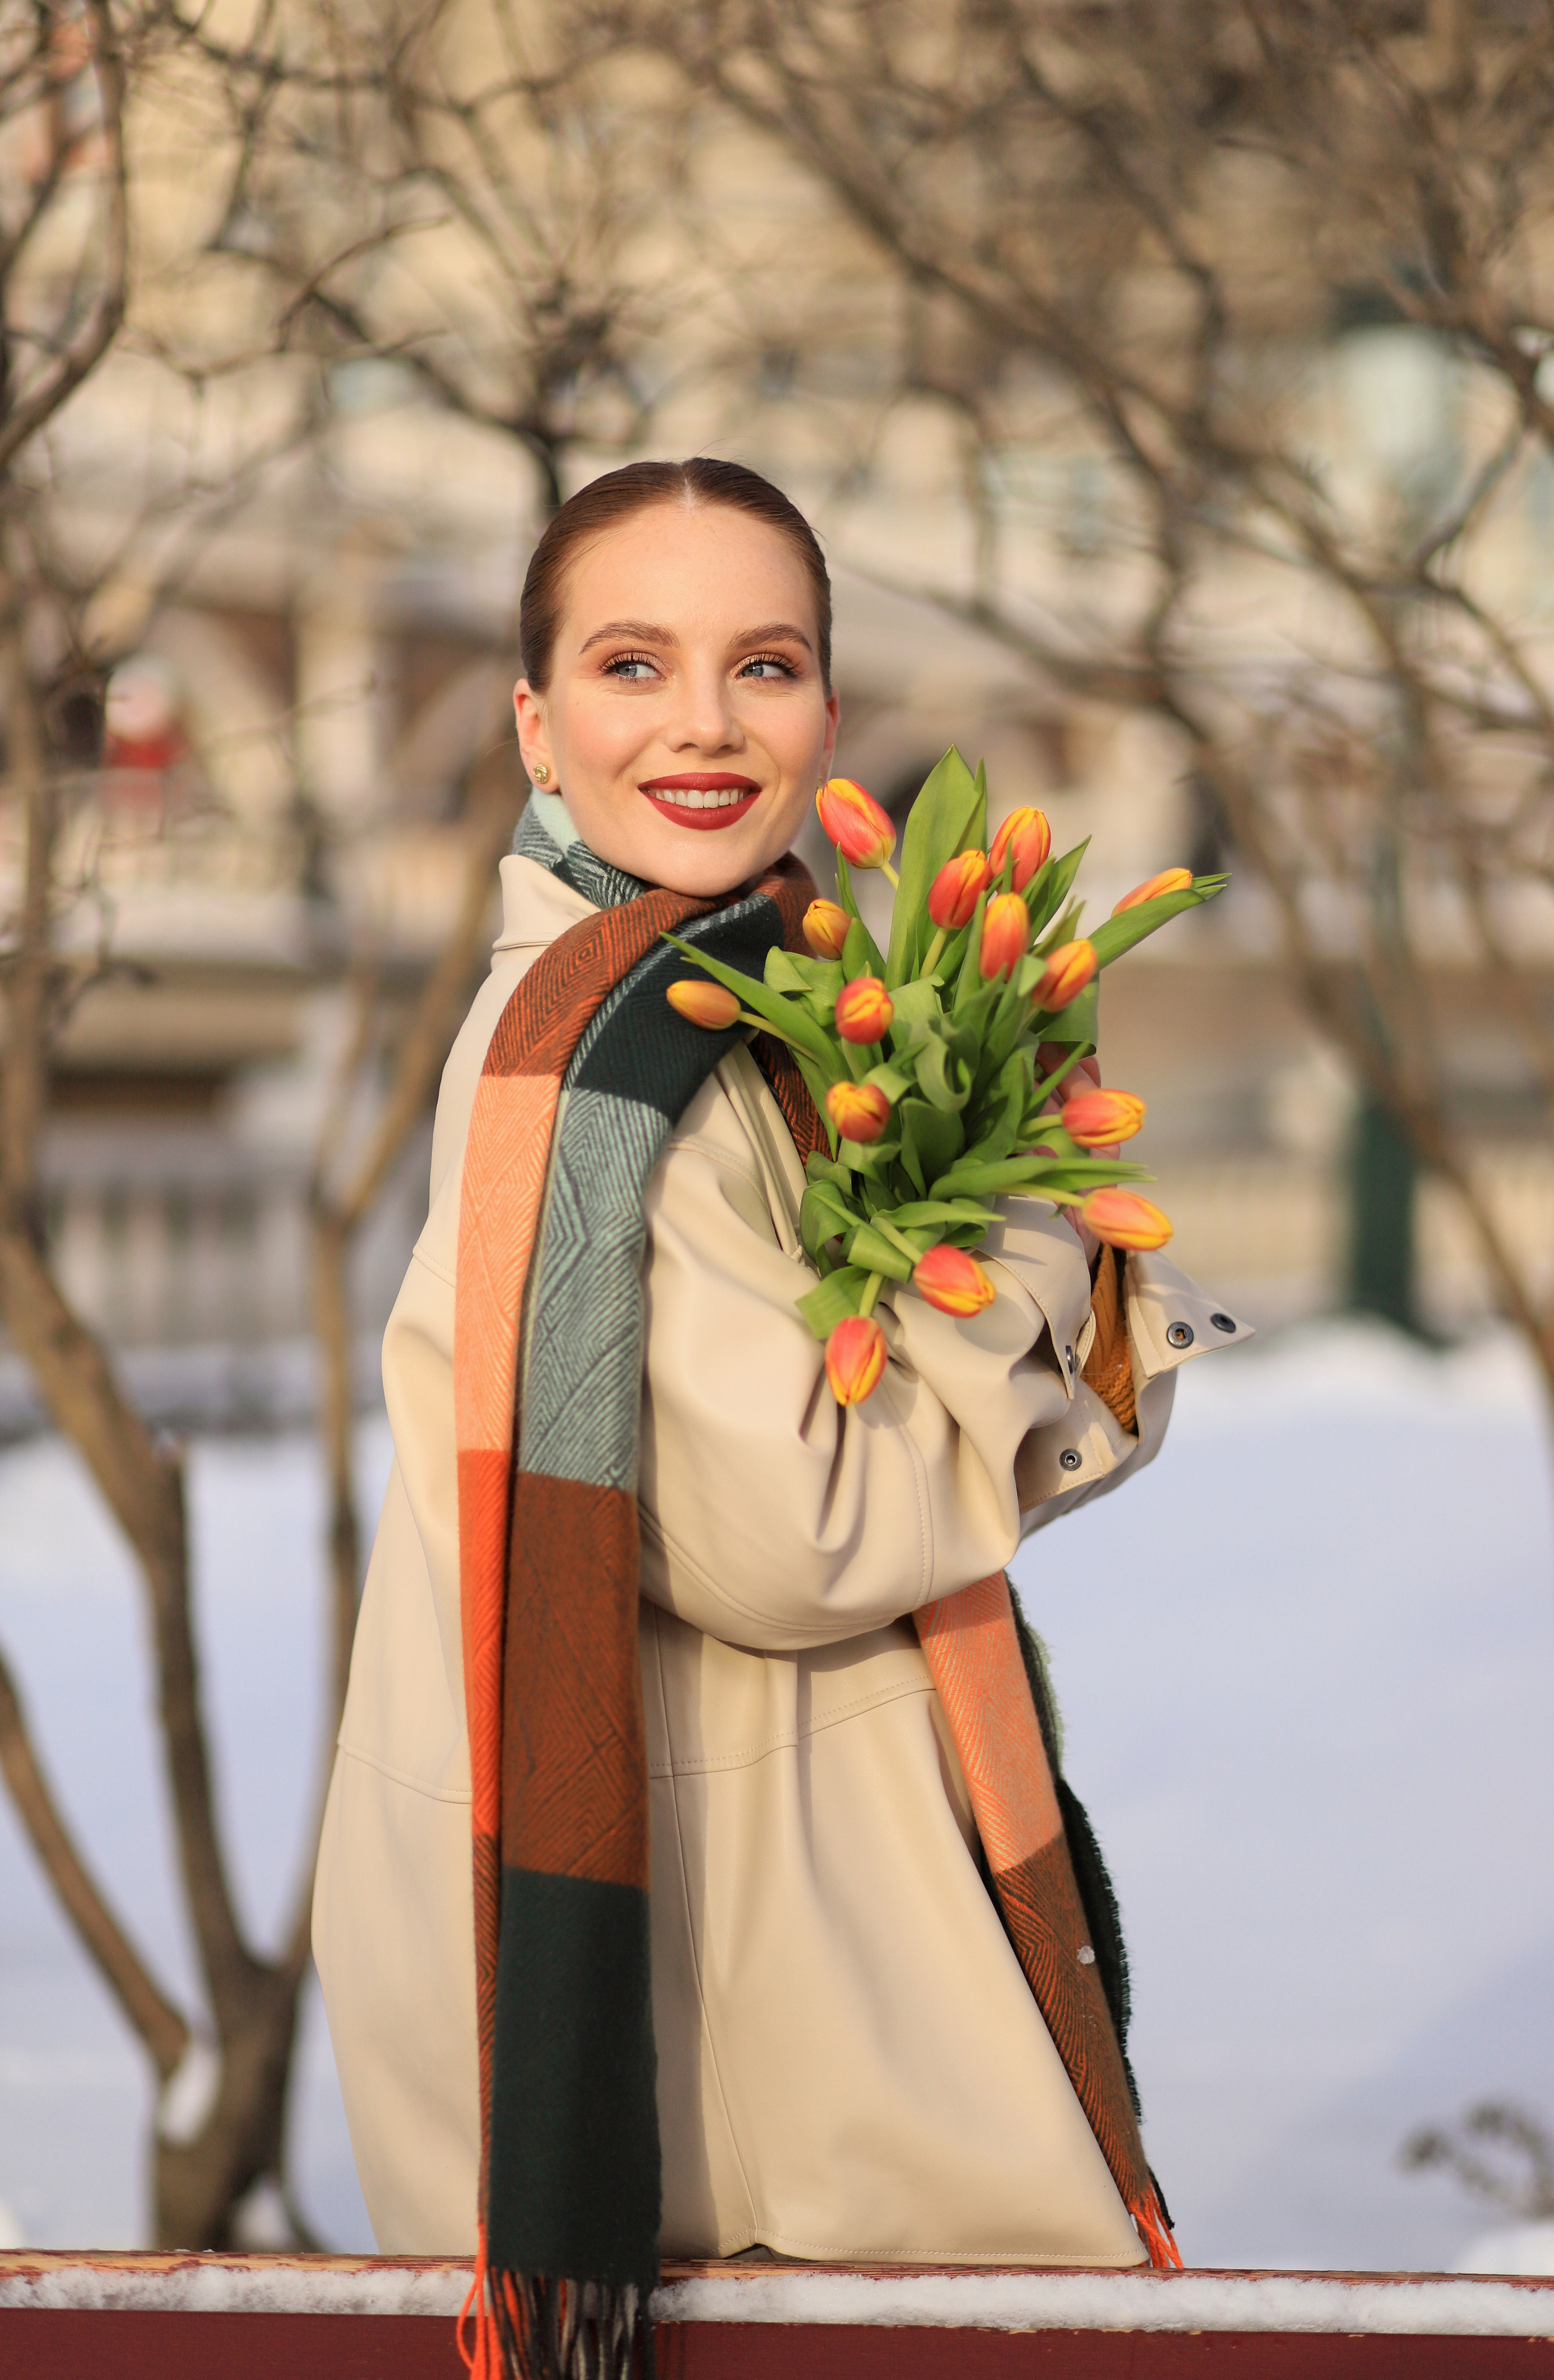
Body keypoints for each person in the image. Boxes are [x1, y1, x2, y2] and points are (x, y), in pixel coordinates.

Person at [312, 458, 1247, 2359]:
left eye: (765, 664)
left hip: (762, 1983)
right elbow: (804, 1538)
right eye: (634, 665)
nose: (705, 726)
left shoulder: (735, 1003)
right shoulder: (604, 1066)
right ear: (536, 722)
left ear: (829, 708)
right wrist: (1039, 1265)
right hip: (754, 2055)